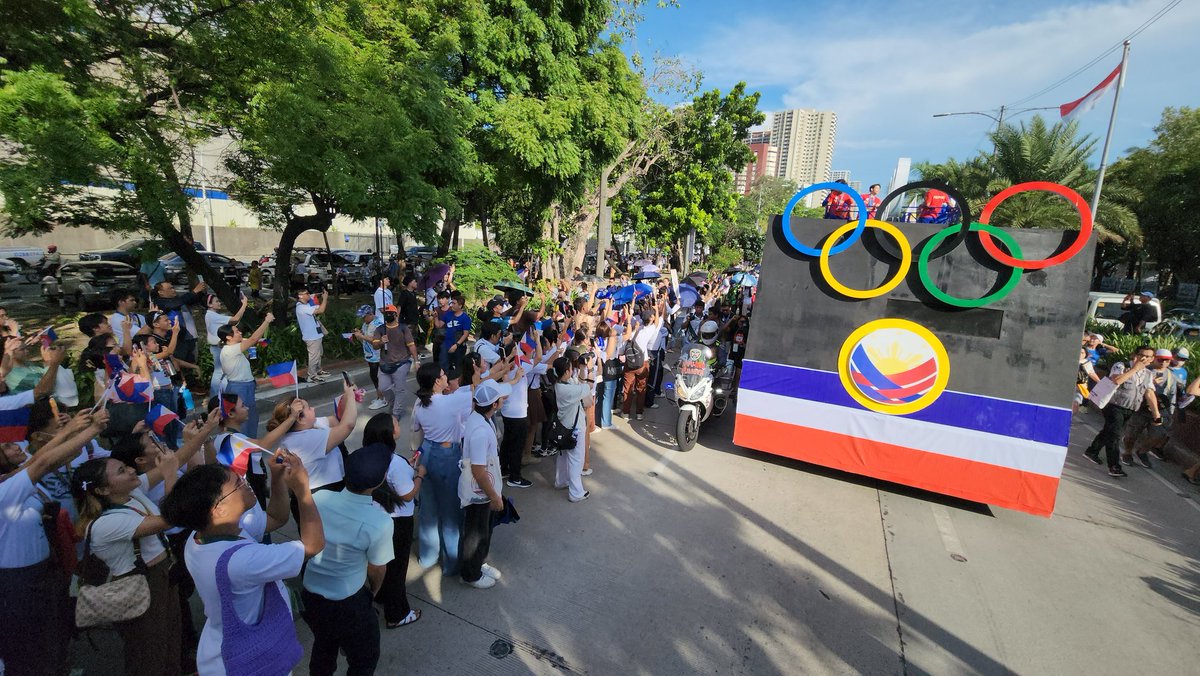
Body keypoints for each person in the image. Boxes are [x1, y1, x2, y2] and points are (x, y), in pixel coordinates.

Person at [161, 451, 324, 676]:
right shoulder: (241, 561)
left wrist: (276, 478)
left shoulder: (200, 536)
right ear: (218, 509)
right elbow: (313, 545)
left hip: (220, 647)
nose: (245, 482)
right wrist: (302, 489)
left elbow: (276, 518)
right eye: (238, 483)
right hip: (252, 662)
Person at [70, 416, 210, 676]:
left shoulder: (131, 493)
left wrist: (204, 431)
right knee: (148, 654)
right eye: (122, 471)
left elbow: (177, 458)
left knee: (170, 644)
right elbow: (170, 519)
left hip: (161, 575)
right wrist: (169, 475)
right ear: (101, 490)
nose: (132, 470)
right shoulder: (105, 524)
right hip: (140, 584)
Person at [0, 409, 109, 676]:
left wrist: (71, 431)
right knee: (27, 648)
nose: (16, 445)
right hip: (16, 582)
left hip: (45, 570)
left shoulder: (13, 479)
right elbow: (42, 464)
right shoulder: (6, 490)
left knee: (51, 636)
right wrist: (91, 430)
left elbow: (38, 459)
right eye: (6, 446)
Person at [301, 442, 395, 676]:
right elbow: (377, 569)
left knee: (324, 645)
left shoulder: (320, 498)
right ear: (380, 480)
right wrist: (371, 594)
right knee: (364, 659)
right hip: (348, 603)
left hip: (311, 594)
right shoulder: (380, 522)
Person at [411, 360, 509, 575]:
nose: (447, 377)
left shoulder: (420, 404)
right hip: (447, 455)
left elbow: (416, 428)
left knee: (428, 510)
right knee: (450, 512)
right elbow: (479, 392)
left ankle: (427, 557)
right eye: (444, 375)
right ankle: (451, 564)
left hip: (426, 454)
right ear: (437, 381)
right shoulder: (450, 402)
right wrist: (478, 377)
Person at [362, 413, 424, 628]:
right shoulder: (394, 463)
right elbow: (407, 495)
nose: (398, 424)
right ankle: (397, 614)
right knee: (398, 567)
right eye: (396, 423)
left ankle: (381, 595)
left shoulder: (370, 456)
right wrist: (419, 475)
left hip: (377, 517)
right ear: (390, 433)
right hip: (398, 521)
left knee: (383, 561)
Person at [459, 380, 510, 588]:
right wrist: (495, 496)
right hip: (480, 490)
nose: (504, 400)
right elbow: (478, 470)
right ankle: (471, 574)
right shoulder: (480, 430)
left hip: (484, 486)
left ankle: (479, 562)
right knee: (476, 532)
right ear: (494, 404)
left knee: (483, 528)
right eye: (501, 399)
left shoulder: (482, 417)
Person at [268, 380, 359, 495]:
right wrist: (350, 396)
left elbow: (336, 421)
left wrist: (347, 397)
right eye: (309, 408)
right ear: (300, 419)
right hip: (323, 492)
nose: (314, 408)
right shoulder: (306, 440)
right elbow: (347, 425)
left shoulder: (302, 426)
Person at [1083, 345, 1160, 478]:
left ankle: (1092, 451)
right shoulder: (1121, 366)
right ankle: (1114, 466)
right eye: (1141, 354)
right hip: (1113, 405)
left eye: (1148, 356)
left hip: (1130, 408)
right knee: (1114, 435)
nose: (1143, 358)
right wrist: (1135, 369)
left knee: (1110, 430)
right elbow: (1116, 380)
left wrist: (1156, 414)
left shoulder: (1148, 374)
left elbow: (1149, 393)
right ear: (1134, 354)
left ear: (1152, 359)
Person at [217, 311, 274, 438]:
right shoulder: (230, 349)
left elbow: (251, 340)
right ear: (228, 337)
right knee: (243, 418)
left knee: (251, 416)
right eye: (236, 331)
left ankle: (251, 443)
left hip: (246, 385)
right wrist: (267, 321)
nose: (240, 333)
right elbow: (253, 339)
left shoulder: (233, 346)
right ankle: (245, 445)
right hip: (240, 387)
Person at [1121, 348, 1180, 468]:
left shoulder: (1171, 376)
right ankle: (1127, 453)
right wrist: (1151, 382)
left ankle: (1142, 451)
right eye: (1161, 360)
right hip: (1141, 408)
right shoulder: (1144, 370)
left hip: (1160, 410)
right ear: (1154, 359)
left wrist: (1170, 412)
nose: (1164, 363)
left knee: (1158, 435)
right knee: (1132, 433)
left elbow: (1172, 395)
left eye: (1167, 361)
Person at [552, 355, 594, 502]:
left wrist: (583, 369)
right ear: (566, 372)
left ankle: (561, 481)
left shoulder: (561, 384)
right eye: (570, 369)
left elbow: (580, 381)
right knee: (576, 459)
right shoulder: (567, 390)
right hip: (574, 429)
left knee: (563, 457)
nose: (572, 371)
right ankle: (576, 493)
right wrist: (590, 369)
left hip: (564, 428)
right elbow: (588, 386)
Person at [365, 304, 418, 420]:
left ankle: (396, 413)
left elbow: (411, 345)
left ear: (395, 315)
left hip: (401, 363)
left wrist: (416, 360)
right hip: (385, 364)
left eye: (390, 314)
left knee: (400, 389)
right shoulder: (380, 329)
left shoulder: (403, 328)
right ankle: (393, 403)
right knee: (383, 387)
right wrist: (381, 342)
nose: (388, 316)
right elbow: (375, 346)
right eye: (386, 314)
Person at [151, 278, 207, 365]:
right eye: (170, 288)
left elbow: (194, 300)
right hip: (175, 339)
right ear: (160, 292)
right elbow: (175, 303)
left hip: (189, 337)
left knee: (192, 362)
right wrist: (194, 291)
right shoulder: (159, 302)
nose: (174, 290)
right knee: (179, 363)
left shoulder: (178, 300)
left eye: (173, 287)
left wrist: (200, 292)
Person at [621, 305, 663, 420]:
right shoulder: (648, 330)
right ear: (650, 319)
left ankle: (626, 412)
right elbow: (657, 322)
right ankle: (639, 413)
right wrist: (656, 311)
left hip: (630, 363)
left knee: (627, 388)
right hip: (642, 362)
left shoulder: (635, 330)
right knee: (641, 388)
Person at [205, 292, 248, 398]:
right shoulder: (212, 315)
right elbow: (235, 319)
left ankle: (222, 396)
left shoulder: (212, 315)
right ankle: (215, 397)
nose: (219, 303)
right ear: (210, 305)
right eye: (216, 301)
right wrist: (244, 305)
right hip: (218, 347)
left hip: (218, 346)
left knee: (222, 372)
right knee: (219, 372)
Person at [352, 304, 389, 411]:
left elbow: (376, 340)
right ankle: (379, 396)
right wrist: (359, 335)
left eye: (364, 316)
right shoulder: (366, 324)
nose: (363, 319)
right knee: (374, 377)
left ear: (370, 314)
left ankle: (382, 398)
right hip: (370, 356)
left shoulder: (378, 324)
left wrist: (362, 336)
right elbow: (365, 339)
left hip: (378, 356)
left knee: (377, 378)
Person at [296, 286, 330, 383]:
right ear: (300, 296)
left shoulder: (307, 306)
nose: (308, 295)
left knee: (319, 354)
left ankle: (318, 371)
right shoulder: (301, 307)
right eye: (306, 294)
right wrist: (325, 298)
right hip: (311, 336)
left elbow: (320, 307)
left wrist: (321, 299)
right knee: (314, 357)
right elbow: (321, 311)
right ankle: (312, 375)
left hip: (316, 334)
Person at [437, 293, 472, 374]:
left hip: (458, 346)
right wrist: (435, 317)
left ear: (460, 306)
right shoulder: (448, 315)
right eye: (451, 303)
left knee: (458, 365)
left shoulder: (465, 318)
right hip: (446, 344)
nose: (451, 305)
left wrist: (456, 345)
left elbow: (465, 334)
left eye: (454, 303)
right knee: (443, 364)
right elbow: (439, 325)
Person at [110, 290, 148, 355]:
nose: (135, 302)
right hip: (127, 353)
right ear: (121, 302)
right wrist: (153, 316)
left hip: (141, 349)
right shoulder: (117, 319)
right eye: (131, 300)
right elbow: (144, 332)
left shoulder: (136, 316)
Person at [1074, 347, 1100, 415]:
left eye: (1082, 353)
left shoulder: (1087, 363)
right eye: (1079, 352)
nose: (1080, 354)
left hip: (1079, 389)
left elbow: (1092, 373)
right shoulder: (1070, 360)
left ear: (1085, 355)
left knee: (1075, 407)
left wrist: (1100, 382)